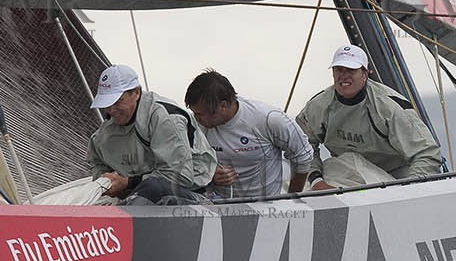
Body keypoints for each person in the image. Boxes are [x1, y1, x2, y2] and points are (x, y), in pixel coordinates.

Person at [295, 44, 441, 189]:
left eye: (351, 69)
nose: (344, 75)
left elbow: (427, 153)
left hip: (395, 176)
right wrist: (316, 180)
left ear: (365, 74)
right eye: (339, 69)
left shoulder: (390, 107)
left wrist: (409, 189)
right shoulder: (317, 107)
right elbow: (300, 145)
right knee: (295, 188)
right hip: (345, 172)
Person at [89, 64, 216, 203]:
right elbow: (96, 162)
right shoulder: (102, 135)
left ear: (136, 93)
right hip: (137, 196)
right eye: (107, 104)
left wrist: (127, 183)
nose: (111, 110)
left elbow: (180, 177)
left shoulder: (166, 118)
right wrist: (105, 181)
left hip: (189, 195)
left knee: (153, 187)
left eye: (118, 102)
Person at [185, 70, 314, 199]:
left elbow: (303, 156)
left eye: (200, 114)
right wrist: (209, 174)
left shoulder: (269, 119)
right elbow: (183, 162)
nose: (196, 119)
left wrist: (290, 200)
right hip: (217, 204)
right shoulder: (193, 125)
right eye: (194, 113)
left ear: (223, 106)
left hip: (265, 206)